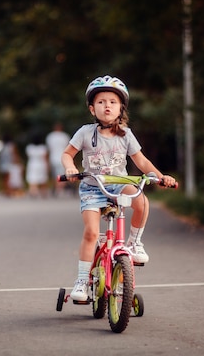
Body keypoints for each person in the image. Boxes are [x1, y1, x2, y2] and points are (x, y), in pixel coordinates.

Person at [61, 75, 177, 302]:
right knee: (92, 233)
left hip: (119, 183)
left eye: (112, 102)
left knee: (141, 200)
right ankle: (83, 280)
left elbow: (141, 162)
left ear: (120, 107)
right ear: (92, 109)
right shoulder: (85, 132)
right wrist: (70, 169)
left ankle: (134, 242)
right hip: (93, 187)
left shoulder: (126, 134)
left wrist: (161, 177)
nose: (107, 106)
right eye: (102, 102)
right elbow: (67, 154)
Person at [46, 122, 71, 196]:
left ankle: (57, 188)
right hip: (62, 158)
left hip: (53, 158)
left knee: (55, 175)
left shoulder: (50, 136)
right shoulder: (65, 136)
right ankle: (59, 189)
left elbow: (48, 149)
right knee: (62, 175)